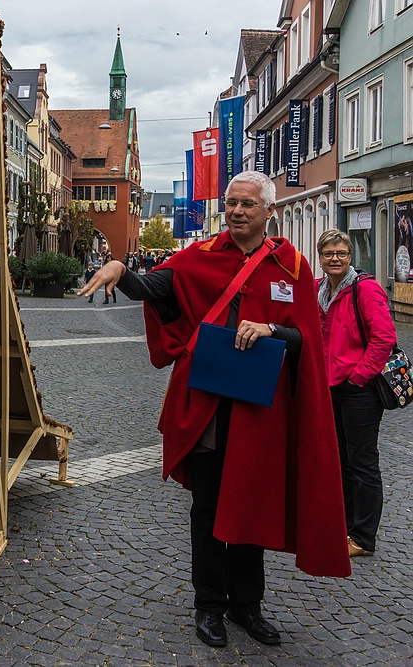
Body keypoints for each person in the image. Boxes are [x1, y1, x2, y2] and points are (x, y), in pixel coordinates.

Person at [79, 171, 350, 649]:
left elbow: (306, 338)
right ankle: (209, 606)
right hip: (207, 407)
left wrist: (270, 330)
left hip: (260, 414)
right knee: (206, 510)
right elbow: (157, 288)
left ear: (270, 211)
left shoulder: (292, 268)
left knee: (251, 504)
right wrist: (122, 271)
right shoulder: (198, 256)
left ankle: (248, 606)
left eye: (248, 204)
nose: (238, 211)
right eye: (231, 203)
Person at [315, 229, 396, 558]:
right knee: (341, 460)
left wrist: (359, 376)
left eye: (341, 253)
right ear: (320, 258)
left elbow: (384, 337)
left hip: (359, 391)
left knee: (362, 462)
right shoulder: (319, 291)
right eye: (328, 254)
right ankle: (344, 525)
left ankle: (363, 537)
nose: (335, 259)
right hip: (330, 387)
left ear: (350, 257)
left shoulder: (365, 289)